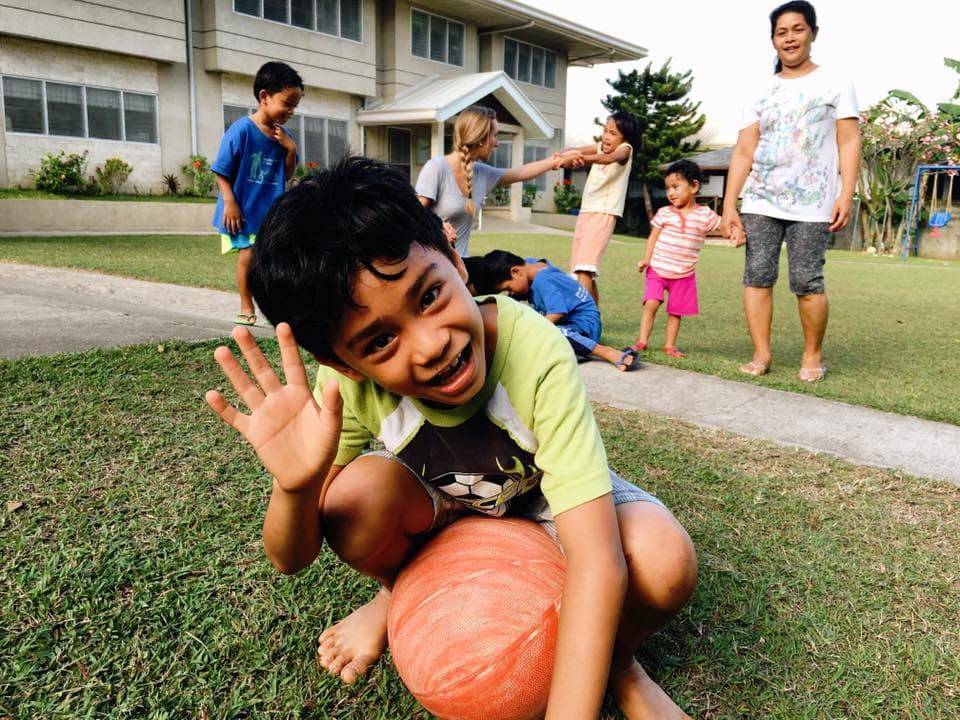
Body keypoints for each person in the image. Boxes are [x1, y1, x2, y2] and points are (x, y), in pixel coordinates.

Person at [204, 157, 697, 720]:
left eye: (428, 296)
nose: (430, 344)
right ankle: (396, 595)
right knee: (350, 499)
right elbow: (290, 559)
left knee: (662, 562)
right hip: (445, 497)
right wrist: (293, 488)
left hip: (543, 495)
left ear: (455, 260)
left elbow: (597, 559)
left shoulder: (535, 352)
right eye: (381, 340)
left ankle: (620, 663)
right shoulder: (345, 387)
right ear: (342, 361)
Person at [720, 0, 861, 381]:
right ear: (773, 40)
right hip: (762, 199)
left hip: (813, 203)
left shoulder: (835, 81)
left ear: (813, 33)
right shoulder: (758, 88)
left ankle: (812, 355)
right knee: (757, 275)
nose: (790, 38)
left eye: (797, 29)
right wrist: (730, 205)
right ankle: (761, 354)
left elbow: (849, 140)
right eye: (782, 32)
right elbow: (744, 149)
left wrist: (845, 193)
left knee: (807, 280)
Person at [211, 61, 302, 326]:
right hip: (243, 213)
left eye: (294, 106)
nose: (291, 111)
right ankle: (245, 304)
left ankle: (276, 306)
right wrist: (229, 202)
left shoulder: (283, 136)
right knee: (248, 256)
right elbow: (221, 170)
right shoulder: (241, 130)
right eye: (287, 103)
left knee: (274, 263)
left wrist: (291, 150)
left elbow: (285, 176)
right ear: (264, 97)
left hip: (270, 215)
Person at [415, 105, 565, 257]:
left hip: (460, 268)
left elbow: (521, 172)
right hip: (431, 269)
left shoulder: (482, 173)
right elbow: (412, 215)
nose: (497, 143)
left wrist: (557, 160)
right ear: (481, 138)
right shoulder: (436, 168)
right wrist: (438, 226)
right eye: (495, 136)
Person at [476, 249, 639, 371]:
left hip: (584, 325)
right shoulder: (532, 265)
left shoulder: (542, 281)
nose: (511, 293)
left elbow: (558, 312)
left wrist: (531, 328)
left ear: (516, 271)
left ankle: (608, 352)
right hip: (573, 323)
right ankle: (572, 351)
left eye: (509, 288)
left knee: (550, 331)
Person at [629, 160, 729, 358]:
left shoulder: (705, 215)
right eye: (668, 189)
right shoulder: (665, 213)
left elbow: (724, 226)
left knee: (676, 311)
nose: (671, 193)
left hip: (684, 274)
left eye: (676, 187)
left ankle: (670, 346)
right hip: (657, 269)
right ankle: (642, 341)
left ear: (694, 186)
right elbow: (653, 238)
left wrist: (736, 232)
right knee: (652, 303)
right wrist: (646, 260)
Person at [554, 111, 639, 304]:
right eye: (605, 131)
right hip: (587, 211)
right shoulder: (600, 147)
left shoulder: (626, 150)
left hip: (604, 212)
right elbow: (578, 150)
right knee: (582, 268)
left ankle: (582, 317)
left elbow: (607, 159)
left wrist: (581, 159)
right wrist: (564, 155)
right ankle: (593, 316)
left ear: (625, 137)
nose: (606, 136)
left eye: (613, 133)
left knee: (584, 268)